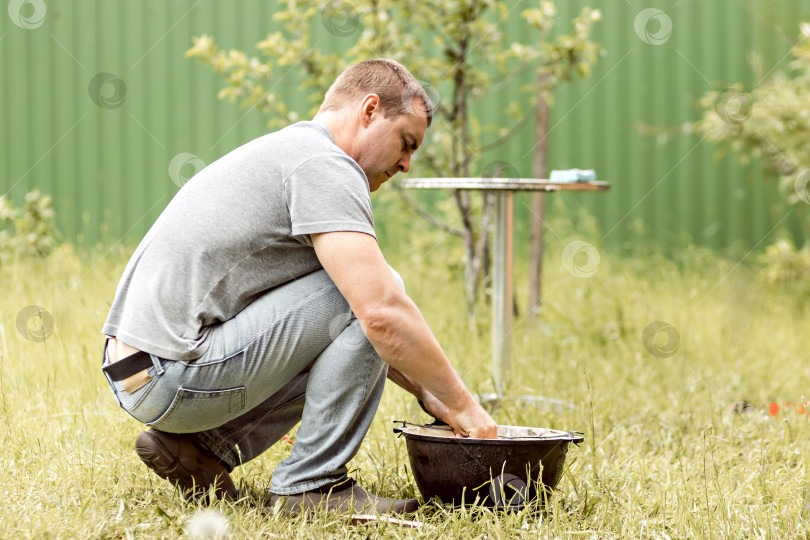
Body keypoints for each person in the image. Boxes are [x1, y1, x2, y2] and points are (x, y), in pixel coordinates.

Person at [101, 58, 497, 515]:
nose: (406, 164)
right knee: (375, 293)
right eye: (406, 143)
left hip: (136, 372)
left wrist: (428, 393)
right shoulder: (324, 164)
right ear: (369, 110)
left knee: (356, 298)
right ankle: (312, 485)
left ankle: (204, 451)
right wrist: (464, 406)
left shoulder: (293, 150)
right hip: (173, 374)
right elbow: (379, 315)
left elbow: (333, 329)